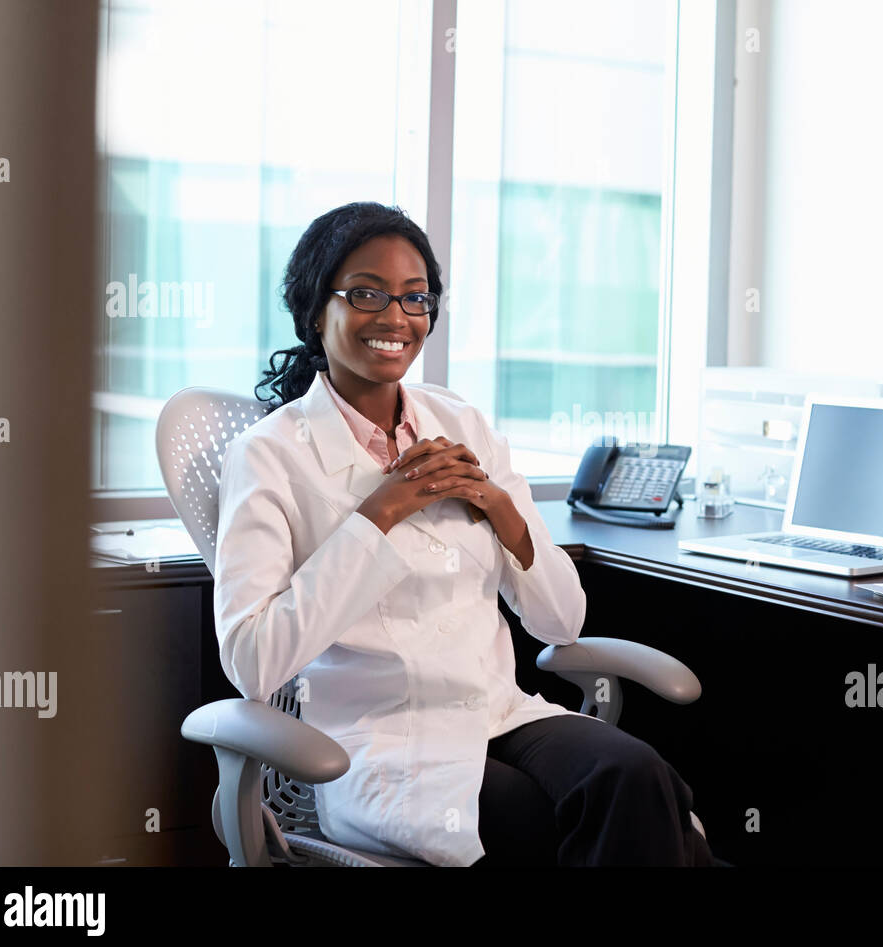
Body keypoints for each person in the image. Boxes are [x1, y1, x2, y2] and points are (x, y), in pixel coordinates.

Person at [213, 201, 716, 866]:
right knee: (581, 826)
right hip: (382, 741)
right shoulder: (269, 455)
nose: (395, 317)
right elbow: (251, 662)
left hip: (497, 713)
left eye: (414, 298)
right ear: (314, 308)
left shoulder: (462, 424)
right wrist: (379, 514)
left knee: (635, 776)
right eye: (366, 293)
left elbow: (563, 622)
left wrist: (501, 509)